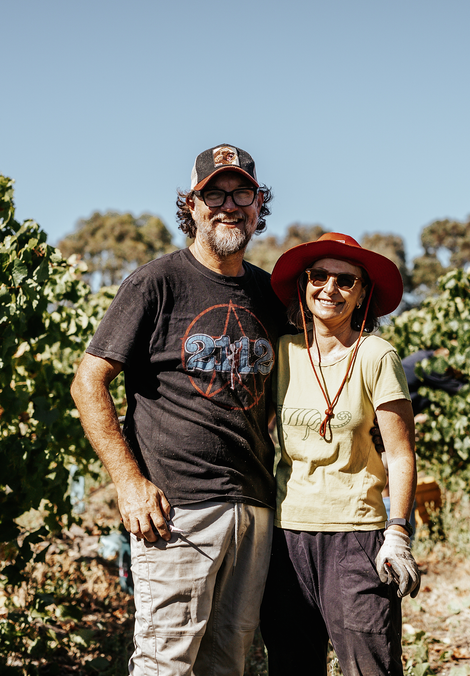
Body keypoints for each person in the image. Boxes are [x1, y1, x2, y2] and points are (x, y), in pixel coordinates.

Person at [70, 144, 288, 676]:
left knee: (228, 664)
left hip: (253, 507)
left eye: (242, 193)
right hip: (177, 510)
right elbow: (87, 382)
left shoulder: (269, 294)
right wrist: (128, 481)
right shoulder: (156, 282)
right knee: (165, 662)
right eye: (214, 192)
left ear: (259, 205)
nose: (228, 204)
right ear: (190, 204)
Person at [260, 232, 420, 676]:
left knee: (370, 666)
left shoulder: (376, 355)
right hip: (286, 537)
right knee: (292, 665)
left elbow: (402, 454)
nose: (330, 288)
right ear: (304, 284)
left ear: (362, 292)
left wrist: (398, 533)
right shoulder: (281, 352)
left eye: (346, 280)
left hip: (357, 538)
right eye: (319, 276)